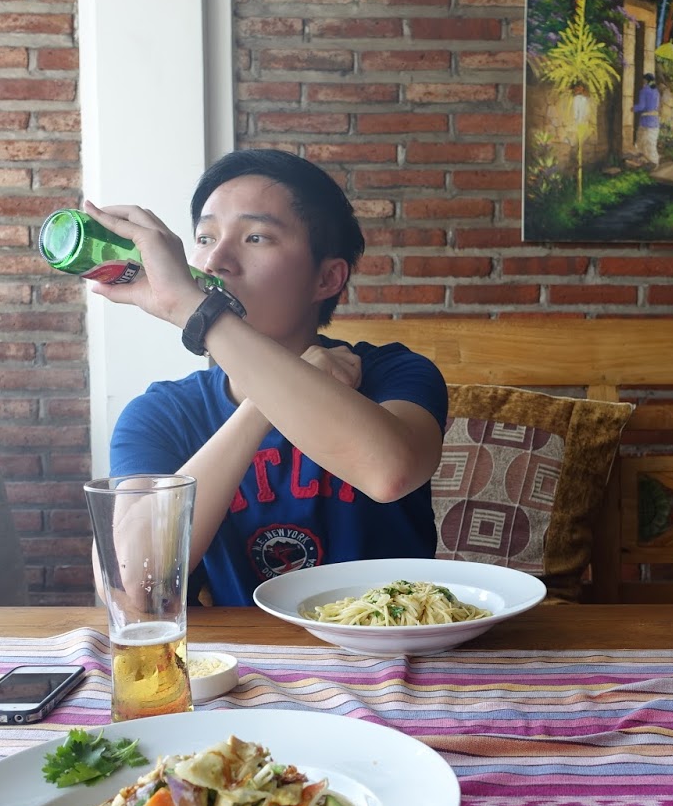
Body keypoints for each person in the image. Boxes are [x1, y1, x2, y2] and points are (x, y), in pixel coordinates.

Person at [86, 149, 448, 605]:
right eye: (204, 237)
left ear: (327, 278)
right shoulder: (162, 414)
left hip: (392, 643)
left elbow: (388, 472)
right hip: (243, 651)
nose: (216, 261)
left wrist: (199, 313)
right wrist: (259, 407)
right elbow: (134, 584)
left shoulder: (395, 373)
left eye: (256, 237)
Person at [631, 72, 661, 165]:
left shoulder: (644, 91)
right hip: (655, 120)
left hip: (646, 121)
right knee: (651, 143)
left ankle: (648, 162)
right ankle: (654, 162)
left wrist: (633, 108)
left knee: (642, 142)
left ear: (645, 81)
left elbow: (641, 106)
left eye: (643, 80)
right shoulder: (656, 91)